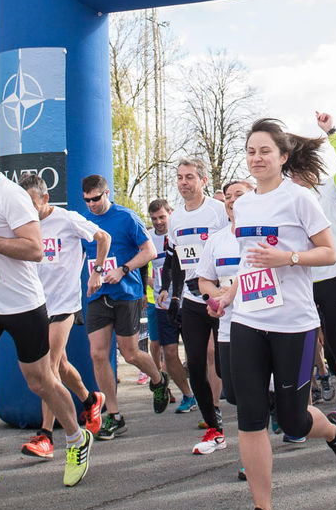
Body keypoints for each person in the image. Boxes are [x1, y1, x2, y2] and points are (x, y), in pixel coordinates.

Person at [208, 118, 336, 510]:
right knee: (251, 416)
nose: (256, 158)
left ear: (283, 156)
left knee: (294, 420)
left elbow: (329, 252)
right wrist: (230, 294)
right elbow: (248, 261)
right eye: (251, 152)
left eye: (265, 151)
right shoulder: (244, 205)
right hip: (248, 320)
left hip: (294, 323)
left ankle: (333, 430)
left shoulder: (300, 199)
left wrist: (288, 259)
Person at [0, 128, 95, 500]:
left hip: (22, 304)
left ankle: (76, 438)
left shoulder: (12, 196)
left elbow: (34, 249)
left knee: (41, 382)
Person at [19, 173, 111, 459]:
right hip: (37, 305)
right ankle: (90, 399)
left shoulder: (68, 219)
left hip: (64, 305)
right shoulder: (23, 227)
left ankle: (46, 437)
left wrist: (97, 272)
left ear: (45, 198)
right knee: (61, 364)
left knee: (48, 368)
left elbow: (103, 237)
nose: (27, 209)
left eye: (31, 202)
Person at [79, 174, 172, 439]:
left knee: (130, 353)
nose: (92, 204)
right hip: (98, 295)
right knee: (98, 353)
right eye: (87, 200)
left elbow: (149, 252)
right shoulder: (84, 221)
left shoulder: (127, 217)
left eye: (96, 199)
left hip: (126, 293)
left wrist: (123, 269)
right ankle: (114, 415)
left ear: (107, 193)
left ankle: (158, 379)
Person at [291, 110, 336, 435]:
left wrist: (332, 131)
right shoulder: (286, 197)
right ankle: (302, 415)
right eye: (290, 172)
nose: (294, 177)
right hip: (300, 281)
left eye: (298, 170)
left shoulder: (328, 190)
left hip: (331, 279)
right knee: (302, 346)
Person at [167, 157, 231, 453]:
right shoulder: (175, 218)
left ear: (203, 181)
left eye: (190, 177)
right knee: (194, 364)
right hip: (193, 300)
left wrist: (221, 287)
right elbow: (178, 261)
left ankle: (266, 405)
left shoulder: (218, 210)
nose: (184, 182)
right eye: (180, 177)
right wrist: (175, 295)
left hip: (221, 296)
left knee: (227, 364)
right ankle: (214, 428)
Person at [197, 179, 253, 476]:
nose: (232, 200)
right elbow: (204, 280)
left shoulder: (262, 234)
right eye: (228, 196)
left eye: (239, 194)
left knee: (247, 395)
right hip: (228, 325)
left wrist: (235, 293)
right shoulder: (217, 240)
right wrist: (217, 296)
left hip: (258, 323)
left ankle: (251, 458)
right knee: (231, 392)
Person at [148, 198, 190, 402]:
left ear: (170, 214)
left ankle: (206, 395)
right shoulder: (148, 238)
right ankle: (188, 394)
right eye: (154, 218)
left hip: (187, 299)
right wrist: (150, 286)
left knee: (197, 353)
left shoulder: (181, 233)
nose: (158, 222)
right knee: (169, 352)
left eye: (162, 217)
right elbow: (142, 267)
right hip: (162, 304)